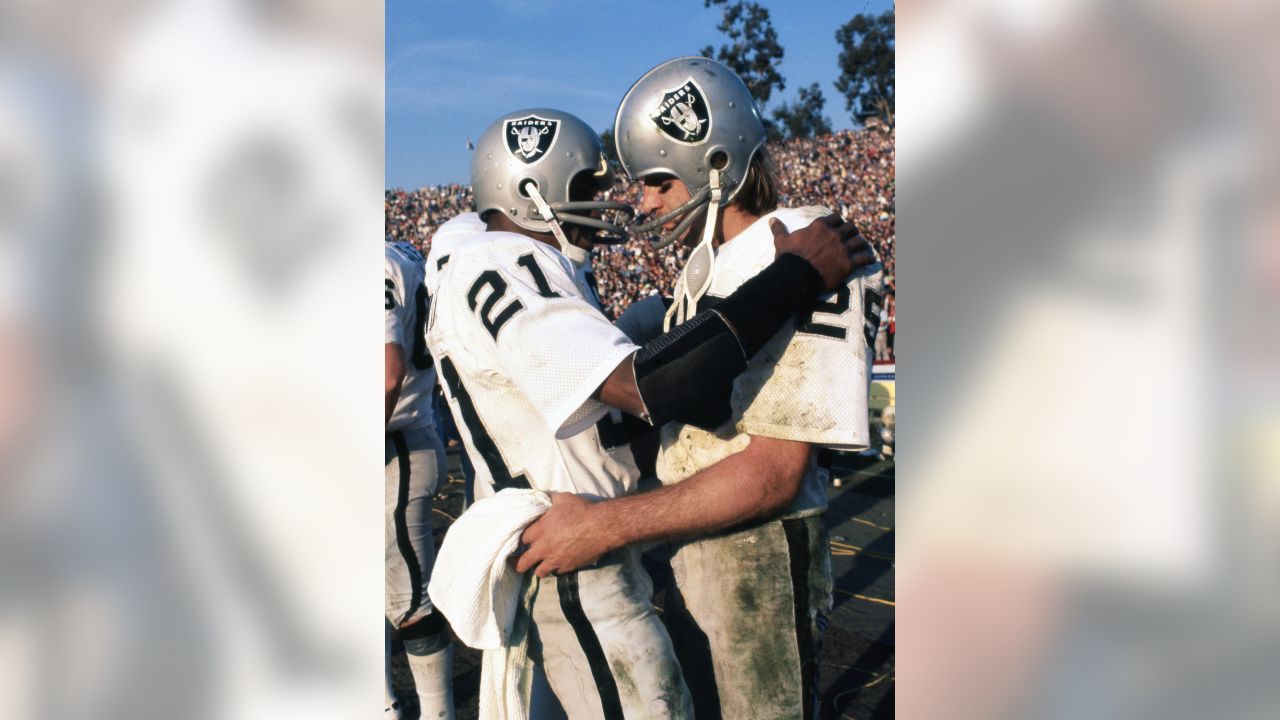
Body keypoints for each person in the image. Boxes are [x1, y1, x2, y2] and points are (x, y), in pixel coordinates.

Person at [426, 107, 867, 719]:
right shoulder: (500, 262)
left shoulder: (517, 263)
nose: (613, 202)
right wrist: (795, 274)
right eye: (588, 188)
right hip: (573, 549)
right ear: (532, 191)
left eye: (654, 181)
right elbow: (645, 387)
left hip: (596, 543)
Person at [385, 239, 455, 720]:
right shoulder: (404, 253)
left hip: (395, 444)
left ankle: (437, 713)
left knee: (412, 601)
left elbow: (388, 371)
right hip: (403, 436)